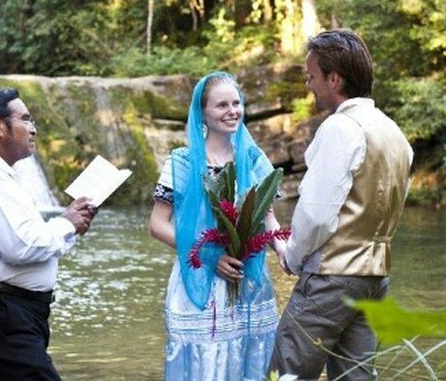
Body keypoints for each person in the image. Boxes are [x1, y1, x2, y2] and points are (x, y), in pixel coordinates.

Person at [270, 29, 414, 380]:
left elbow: (316, 214)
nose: (308, 84)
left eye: (312, 76)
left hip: (331, 279)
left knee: (286, 371)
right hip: (375, 279)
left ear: (334, 79)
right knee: (357, 377)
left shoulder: (341, 127)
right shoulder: (395, 134)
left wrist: (292, 255)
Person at [149, 71, 288, 381]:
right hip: (199, 280)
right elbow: (157, 225)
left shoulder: (252, 158)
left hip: (249, 279)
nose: (232, 111)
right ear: (203, 113)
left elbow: (268, 217)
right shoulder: (182, 162)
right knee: (205, 364)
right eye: (221, 105)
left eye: (236, 103)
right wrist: (211, 256)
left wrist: (281, 246)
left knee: (251, 360)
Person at [0, 87, 98, 380]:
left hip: (14, 313)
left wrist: (72, 225)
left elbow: (30, 240)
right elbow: (20, 247)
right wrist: (67, 223)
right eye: (25, 119)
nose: (33, 129)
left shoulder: (1, 177)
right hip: (1, 315)